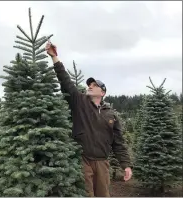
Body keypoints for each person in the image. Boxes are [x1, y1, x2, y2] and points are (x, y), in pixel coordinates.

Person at [45, 42, 133, 197]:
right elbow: (66, 82)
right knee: (86, 195)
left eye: (94, 85)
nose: (90, 86)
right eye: (89, 84)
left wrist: (125, 165)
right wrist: (54, 57)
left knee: (103, 195)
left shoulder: (111, 115)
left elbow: (118, 142)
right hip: (83, 160)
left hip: (102, 162)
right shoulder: (79, 102)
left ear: (103, 93)